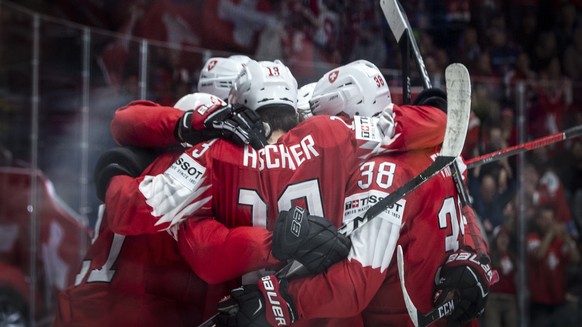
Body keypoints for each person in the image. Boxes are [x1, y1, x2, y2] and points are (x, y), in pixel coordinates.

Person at [103, 59, 451, 325]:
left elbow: (133, 214)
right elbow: (426, 125)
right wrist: (433, 107)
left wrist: (117, 170)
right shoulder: (334, 134)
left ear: (238, 104)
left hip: (247, 313)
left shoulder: (211, 156)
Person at [216, 83, 494, 327]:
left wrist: (278, 301)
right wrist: (477, 256)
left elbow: (356, 282)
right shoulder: (443, 158)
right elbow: (465, 217)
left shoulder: (380, 173)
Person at [53, 92, 267, 326]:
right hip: (142, 312)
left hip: (80, 303)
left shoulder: (131, 167)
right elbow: (211, 258)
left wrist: (112, 171)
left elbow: (126, 121)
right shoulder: (200, 174)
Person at [527, 204, 580, 327]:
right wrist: (551, 233)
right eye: (545, 219)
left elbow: (575, 258)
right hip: (539, 303)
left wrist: (567, 238)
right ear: (538, 221)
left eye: (551, 220)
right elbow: (538, 255)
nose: (549, 223)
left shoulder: (559, 242)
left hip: (558, 301)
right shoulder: (532, 238)